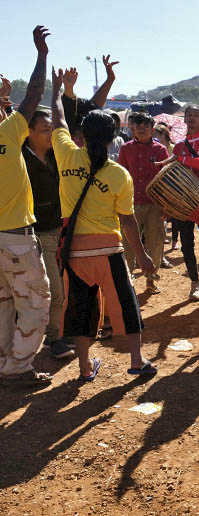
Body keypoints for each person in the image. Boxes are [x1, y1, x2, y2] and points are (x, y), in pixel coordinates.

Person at [50, 67, 158, 381]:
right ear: (113, 138)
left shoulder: (67, 156)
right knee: (126, 305)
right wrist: (142, 256)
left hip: (75, 252)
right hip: (109, 250)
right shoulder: (118, 175)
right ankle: (137, 361)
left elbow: (58, 120)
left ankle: (85, 367)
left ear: (80, 136)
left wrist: (59, 90)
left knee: (80, 310)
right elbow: (127, 220)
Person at [0, 26, 54, 388]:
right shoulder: (7, 134)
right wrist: (41, 55)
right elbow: (34, 94)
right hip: (15, 238)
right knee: (35, 303)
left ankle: (6, 362)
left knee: (4, 303)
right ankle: (17, 368)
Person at [22, 109, 75, 359]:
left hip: (61, 229)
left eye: (52, 129)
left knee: (61, 287)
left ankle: (56, 333)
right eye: (45, 130)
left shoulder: (57, 155)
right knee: (52, 290)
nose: (51, 134)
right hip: (32, 233)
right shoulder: (19, 157)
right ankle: (53, 339)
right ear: (28, 132)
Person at [157, 105, 199, 301]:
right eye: (188, 115)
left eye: (195, 115)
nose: (191, 118)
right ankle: (195, 284)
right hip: (182, 203)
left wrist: (182, 159)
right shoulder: (179, 145)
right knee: (186, 245)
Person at [118, 112, 169, 293]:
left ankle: (151, 279)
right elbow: (121, 175)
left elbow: (166, 178)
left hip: (154, 204)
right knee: (128, 242)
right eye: (138, 126)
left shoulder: (161, 150)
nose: (141, 129)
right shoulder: (126, 149)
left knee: (155, 242)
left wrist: (166, 206)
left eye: (145, 126)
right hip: (129, 204)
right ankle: (127, 278)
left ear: (152, 129)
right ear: (133, 128)